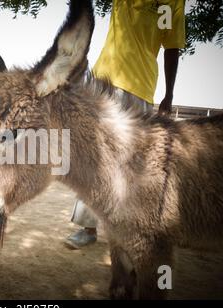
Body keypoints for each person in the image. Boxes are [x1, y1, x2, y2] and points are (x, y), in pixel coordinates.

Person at [65, 0, 186, 249]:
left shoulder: (170, 4)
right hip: (103, 82)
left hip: (140, 87)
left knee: (131, 163)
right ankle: (88, 228)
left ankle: (127, 228)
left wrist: (169, 94)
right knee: (93, 154)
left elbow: (171, 46)